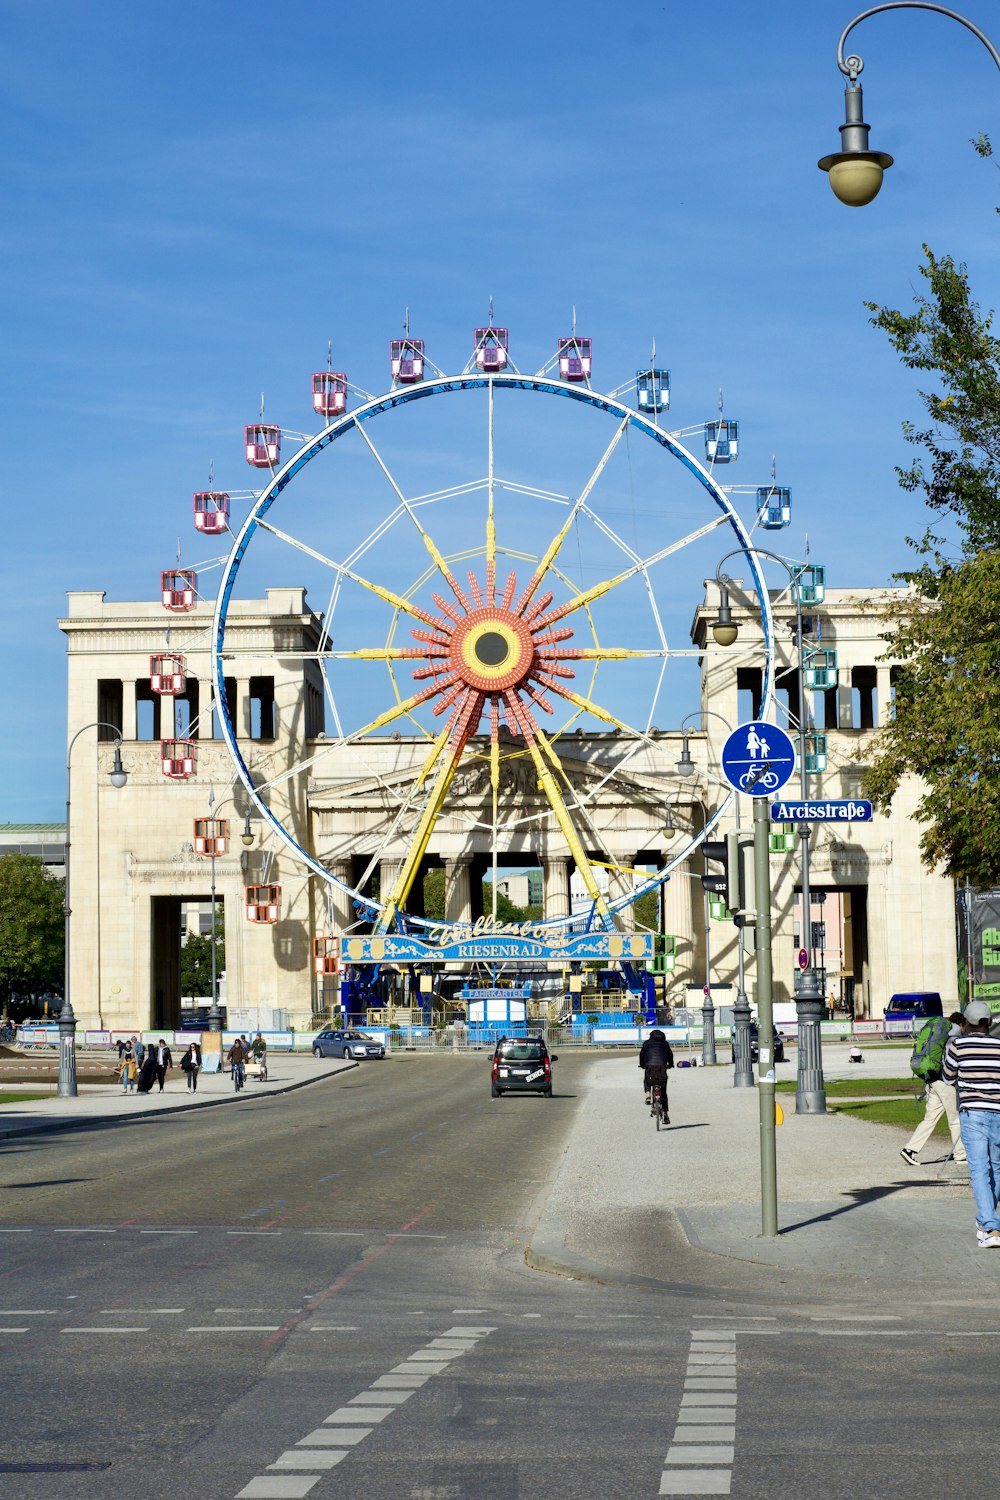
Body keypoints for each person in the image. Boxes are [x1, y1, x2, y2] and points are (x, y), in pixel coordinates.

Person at [941, 1000, 1000, 1248]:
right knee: (996, 1168)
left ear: (966, 1023)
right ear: (989, 1023)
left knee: (978, 1170)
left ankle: (991, 1228)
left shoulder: (958, 1046)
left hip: (973, 1112)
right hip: (998, 1111)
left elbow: (947, 1076)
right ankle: (984, 1220)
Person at [900, 1011, 967, 1168]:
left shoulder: (940, 1033)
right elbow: (953, 1062)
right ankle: (961, 1155)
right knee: (955, 1119)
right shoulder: (954, 1037)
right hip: (946, 1083)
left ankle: (909, 1149)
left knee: (930, 1119)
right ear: (962, 1024)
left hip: (931, 1080)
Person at [639, 1027, 674, 1122]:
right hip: (662, 1067)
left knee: (647, 1080)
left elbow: (642, 1055)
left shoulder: (646, 1043)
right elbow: (670, 1055)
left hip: (649, 1067)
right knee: (663, 1092)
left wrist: (642, 1064)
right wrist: (671, 1064)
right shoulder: (665, 1044)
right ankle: (665, 1114)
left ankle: (648, 1094)